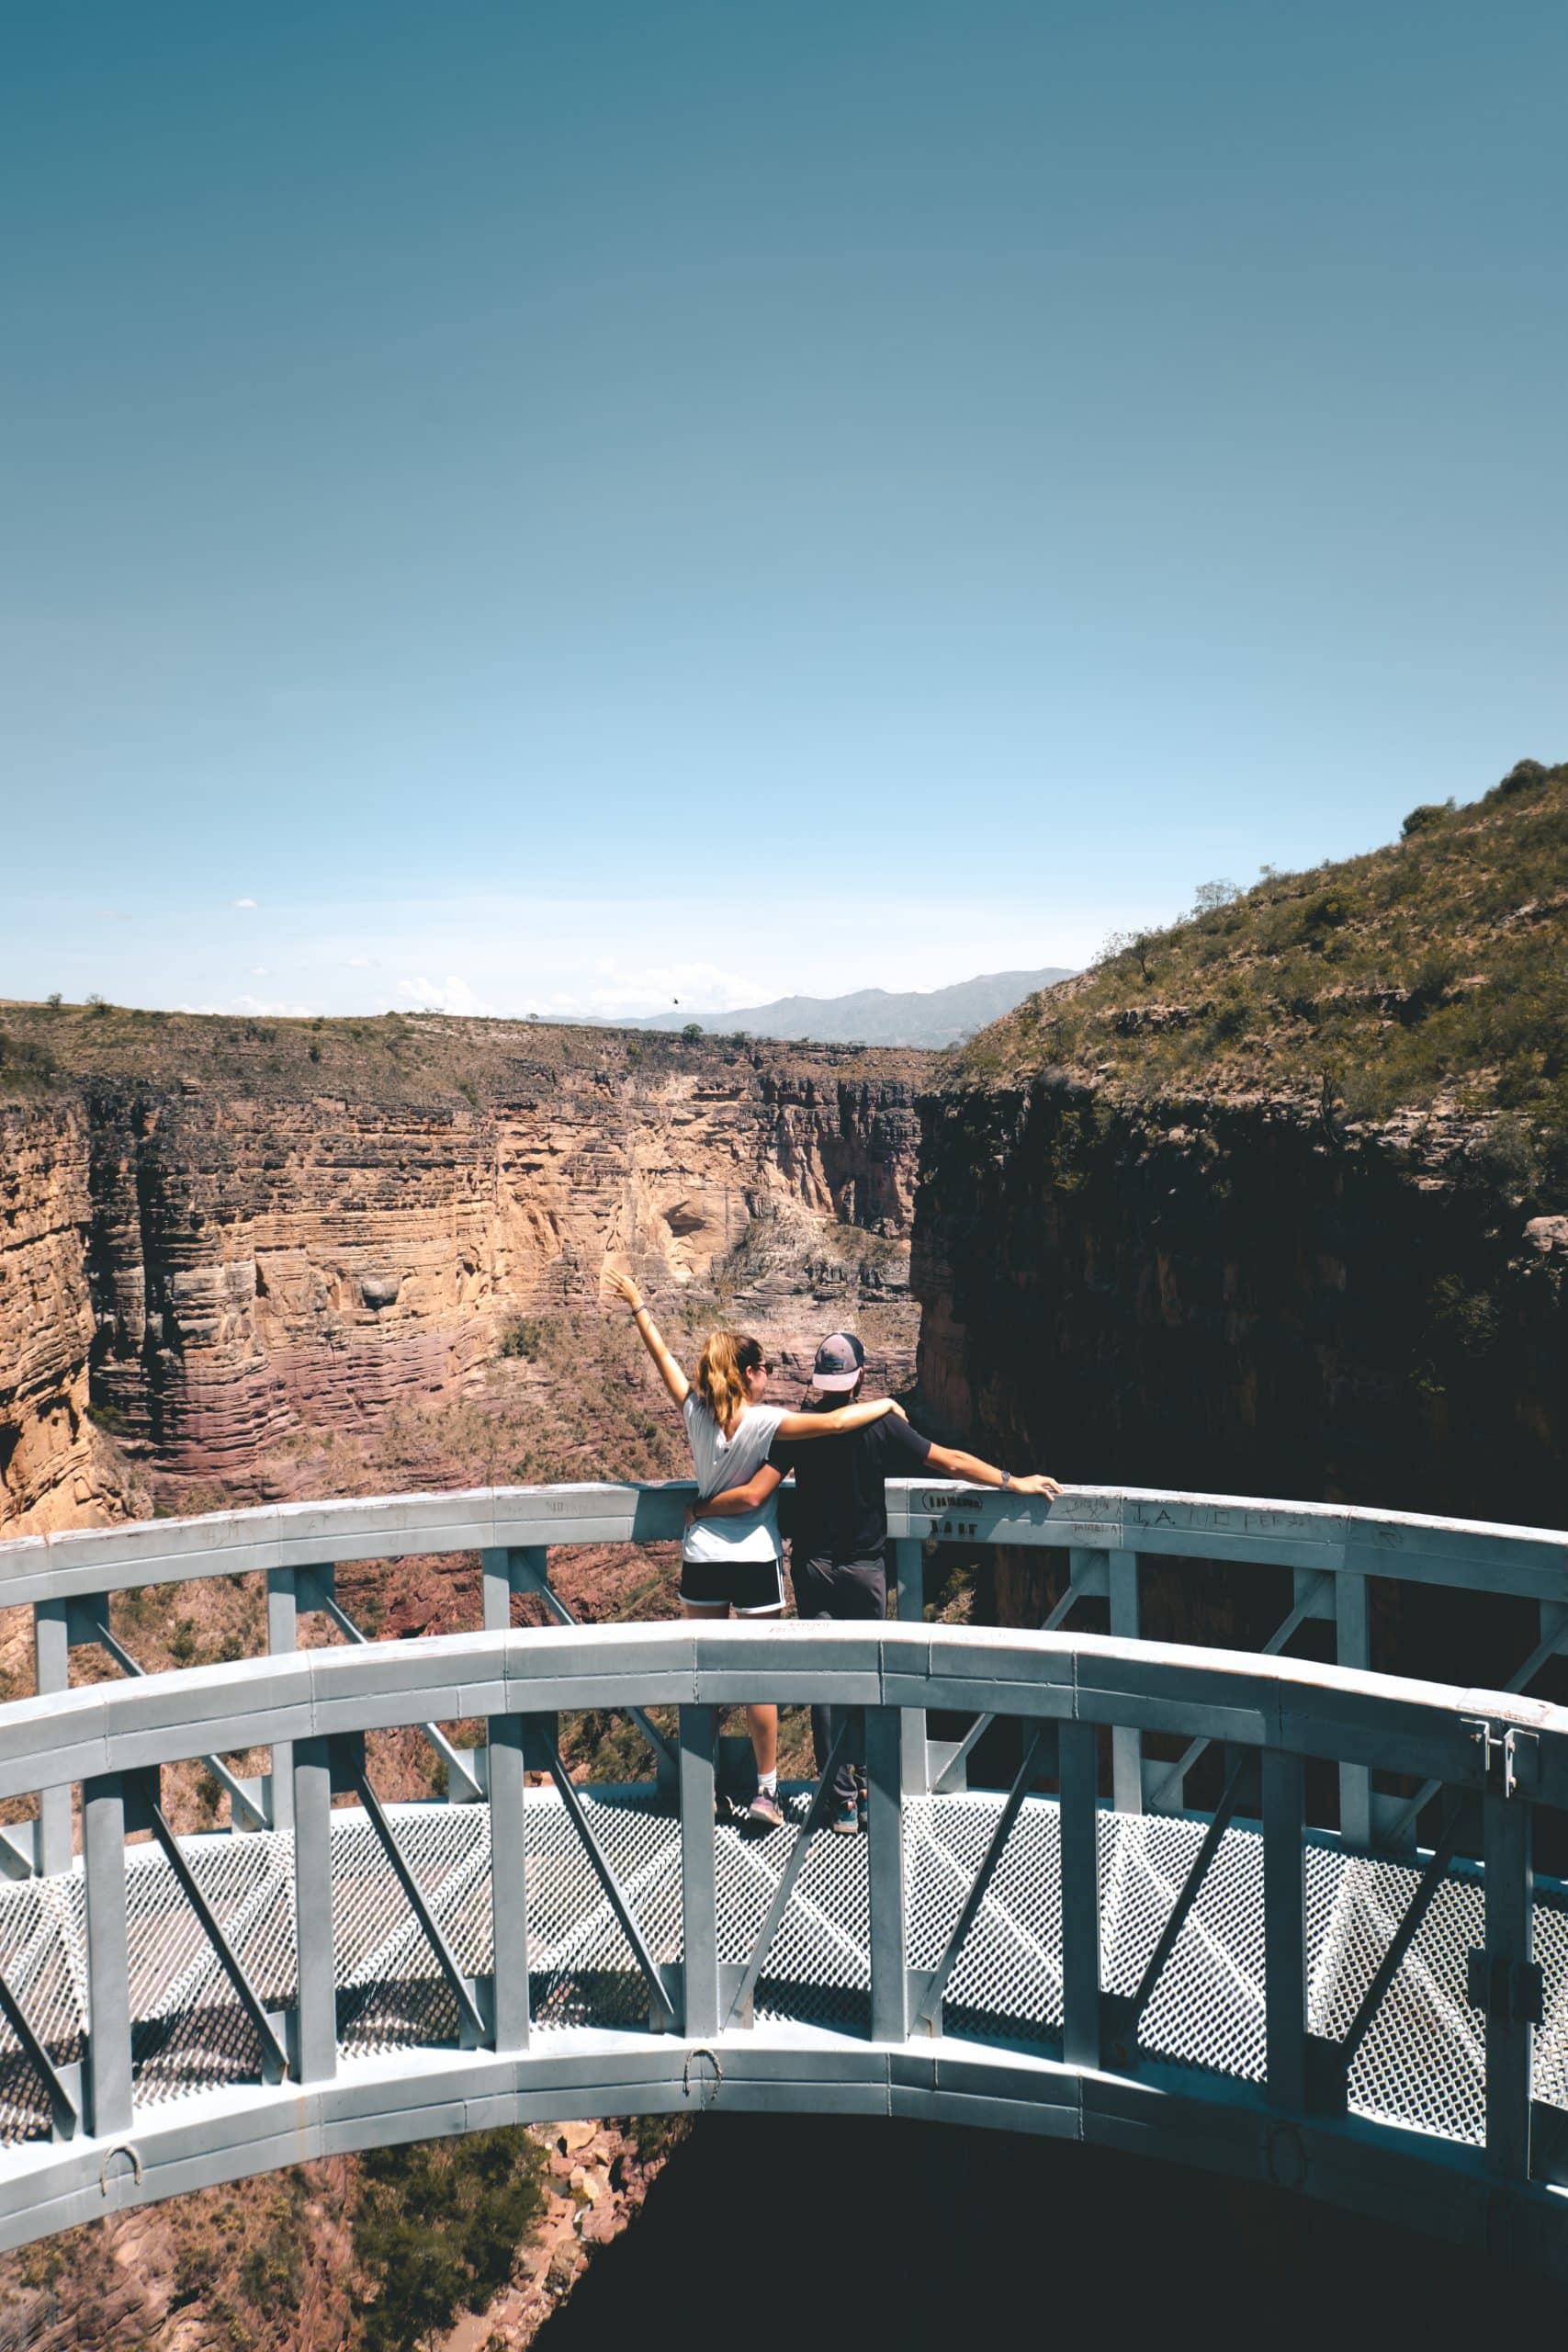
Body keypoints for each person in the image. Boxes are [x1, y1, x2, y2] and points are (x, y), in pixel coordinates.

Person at [688, 1329, 1062, 1833]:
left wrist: (701, 1508)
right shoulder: (883, 1426)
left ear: (820, 1378)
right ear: (861, 1375)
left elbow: (757, 1491)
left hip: (815, 1571)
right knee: (870, 1678)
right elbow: (948, 1460)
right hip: (866, 1571)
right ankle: (868, 1786)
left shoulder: (800, 1428)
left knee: (824, 1683)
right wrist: (1010, 1481)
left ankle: (838, 1798)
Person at [606, 1272, 908, 1831]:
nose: (772, 1375)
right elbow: (838, 1419)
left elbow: (664, 1365)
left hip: (700, 1561)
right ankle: (767, 1792)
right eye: (767, 1368)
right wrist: (886, 1401)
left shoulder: (695, 1412)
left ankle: (705, 1784)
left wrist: (639, 1307)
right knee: (758, 1678)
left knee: (702, 1676)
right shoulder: (769, 1422)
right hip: (754, 1562)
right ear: (748, 1375)